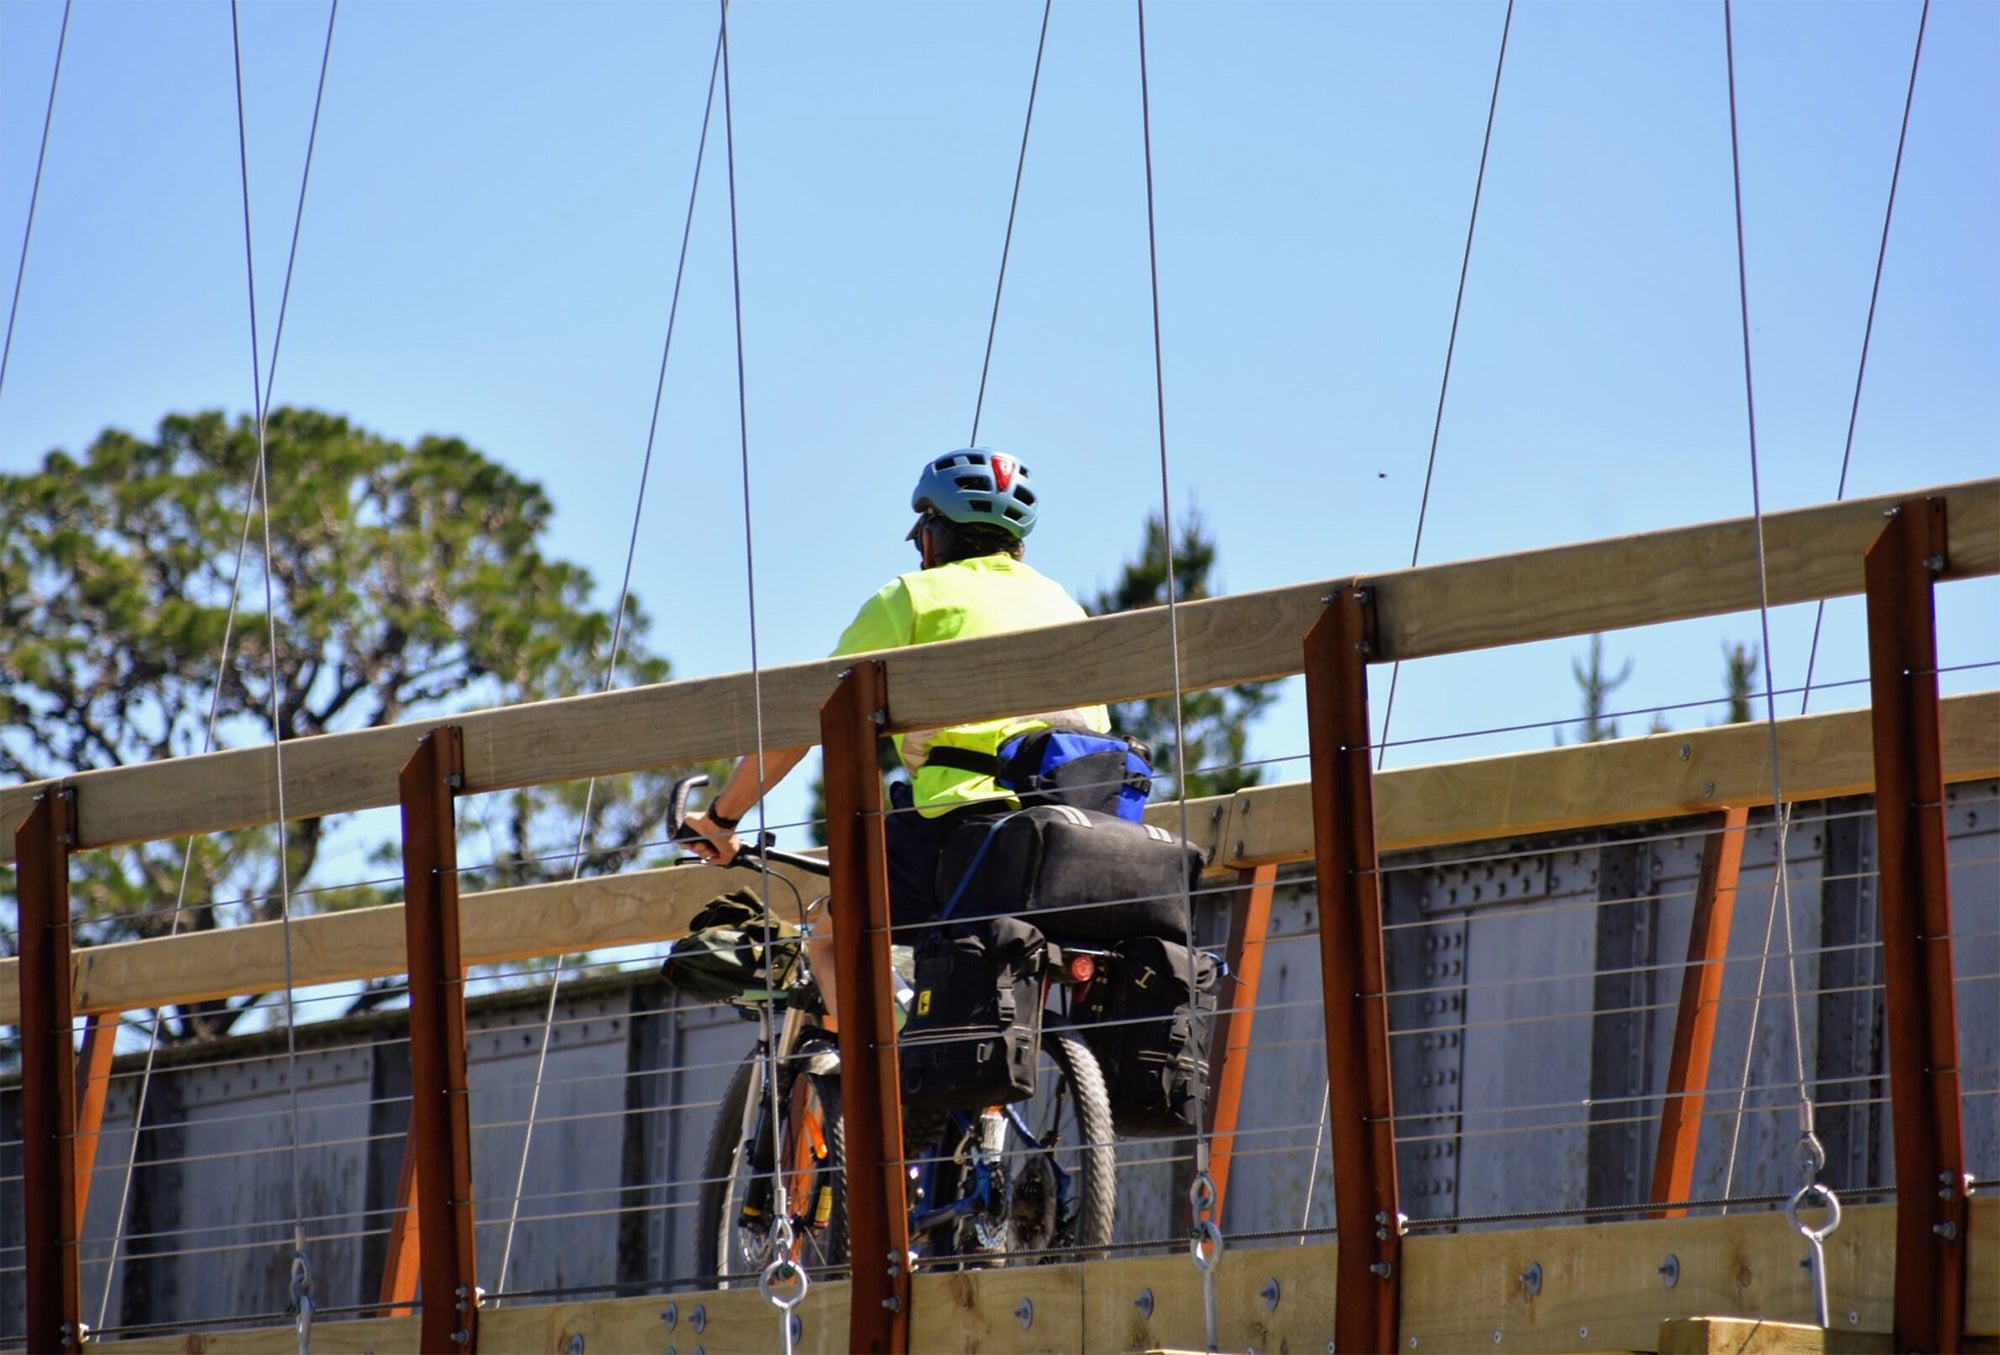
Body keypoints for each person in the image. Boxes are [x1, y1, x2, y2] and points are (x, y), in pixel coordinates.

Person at [680, 447, 1109, 925]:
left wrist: (721, 818)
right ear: (1018, 547)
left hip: (964, 824)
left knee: (830, 937)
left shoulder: (911, 597)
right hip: (1084, 827)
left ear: (930, 537)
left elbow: (806, 716)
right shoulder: (1064, 605)